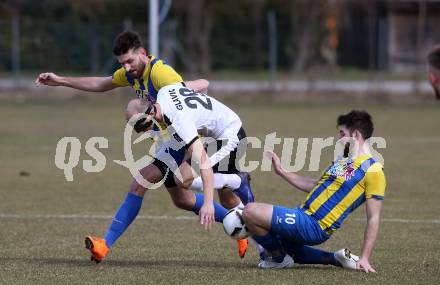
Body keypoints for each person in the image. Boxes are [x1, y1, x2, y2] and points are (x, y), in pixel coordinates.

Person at [85, 83, 256, 263]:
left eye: (142, 125)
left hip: (229, 136)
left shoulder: (178, 117)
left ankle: (238, 182)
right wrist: (201, 120)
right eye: (137, 129)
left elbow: (204, 162)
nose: (144, 132)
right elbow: (200, 87)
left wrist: (208, 204)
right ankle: (104, 245)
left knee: (185, 179)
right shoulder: (164, 92)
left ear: (151, 113)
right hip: (185, 138)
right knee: (177, 196)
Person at [243, 110, 386, 272]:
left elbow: (374, 217)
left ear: (356, 135)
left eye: (342, 134)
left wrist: (365, 257)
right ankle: (336, 259)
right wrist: (282, 172)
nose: (338, 139)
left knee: (249, 211)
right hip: (302, 215)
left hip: (316, 225)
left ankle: (279, 259)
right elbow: (316, 186)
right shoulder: (343, 159)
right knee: (280, 243)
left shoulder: (374, 170)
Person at [35, 30, 209, 103]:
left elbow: (200, 86)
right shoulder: (129, 74)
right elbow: (100, 84)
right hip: (168, 135)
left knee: (134, 107)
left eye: (129, 61)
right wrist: (59, 80)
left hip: (188, 134)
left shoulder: (160, 73)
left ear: (142, 53)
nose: (126, 67)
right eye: (122, 63)